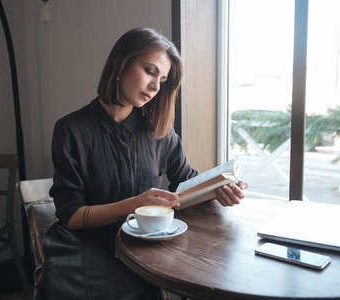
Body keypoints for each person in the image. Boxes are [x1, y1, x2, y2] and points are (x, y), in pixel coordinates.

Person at [38, 27, 247, 300]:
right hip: (88, 252)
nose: (155, 87)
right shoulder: (71, 130)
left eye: (162, 79)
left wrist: (219, 190)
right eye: (150, 71)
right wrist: (135, 204)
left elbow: (186, 183)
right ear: (120, 62)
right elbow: (72, 217)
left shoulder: (159, 131)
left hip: (146, 250)